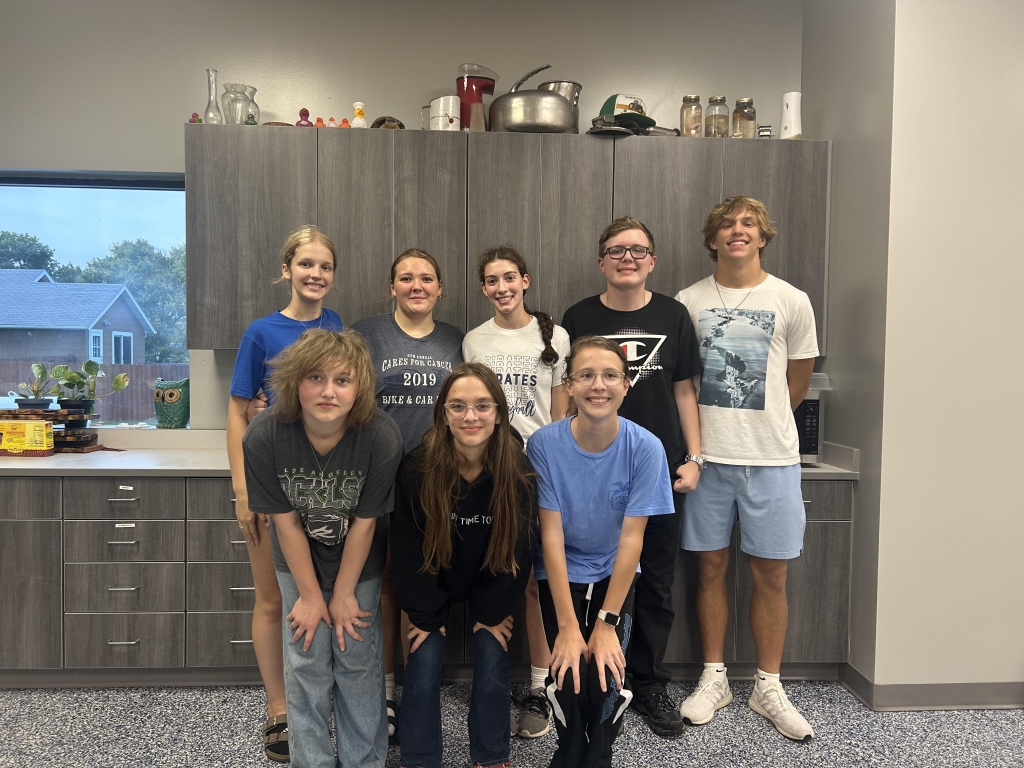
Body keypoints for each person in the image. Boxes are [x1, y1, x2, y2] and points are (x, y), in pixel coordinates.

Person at [675, 196, 818, 742]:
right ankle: (715, 678)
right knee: (709, 569)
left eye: (748, 224)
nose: (738, 231)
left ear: (763, 236)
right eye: (727, 225)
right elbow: (682, 382)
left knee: (771, 574)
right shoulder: (688, 301)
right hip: (707, 461)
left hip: (773, 461)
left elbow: (796, 383)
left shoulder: (791, 299)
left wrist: (763, 427)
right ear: (712, 240)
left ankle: (768, 685)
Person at [560, 217, 703, 738]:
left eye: (638, 250)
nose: (628, 258)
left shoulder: (675, 315)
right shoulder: (577, 317)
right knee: (594, 577)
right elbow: (565, 392)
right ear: (602, 261)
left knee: (657, 584)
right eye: (616, 250)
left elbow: (685, 390)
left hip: (659, 471)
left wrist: (695, 456)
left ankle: (647, 683)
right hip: (595, 474)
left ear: (652, 260)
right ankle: (599, 675)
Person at [242, 329, 404, 767]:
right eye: (315, 378)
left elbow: (366, 524)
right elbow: (286, 523)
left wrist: (346, 593)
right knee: (307, 658)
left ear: (360, 388)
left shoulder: (381, 436)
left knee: (356, 659)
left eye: (343, 380)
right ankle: (310, 759)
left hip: (360, 563)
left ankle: (364, 760)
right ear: (296, 383)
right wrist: (312, 597)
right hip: (297, 563)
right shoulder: (264, 435)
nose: (329, 391)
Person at [527, 336, 675, 768]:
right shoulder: (545, 446)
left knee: (607, 674)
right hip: (561, 569)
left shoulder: (645, 448)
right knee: (570, 670)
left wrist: (606, 623)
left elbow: (632, 540)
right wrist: (570, 627)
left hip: (615, 570)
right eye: (586, 375)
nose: (598, 385)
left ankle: (599, 755)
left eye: (610, 375)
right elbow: (550, 537)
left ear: (626, 385)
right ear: (569, 386)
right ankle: (569, 749)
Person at [226, 224, 344, 762]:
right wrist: (243, 490)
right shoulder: (261, 332)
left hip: (324, 483)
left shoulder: (337, 326)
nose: (315, 274)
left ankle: (316, 705)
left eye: (324, 266)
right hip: (271, 483)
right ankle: (279, 709)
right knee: (274, 598)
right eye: (306, 265)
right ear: (286, 270)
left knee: (318, 594)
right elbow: (237, 413)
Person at [391, 362, 536, 768]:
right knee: (422, 658)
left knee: (492, 652)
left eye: (482, 406)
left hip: (491, 579)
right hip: (432, 578)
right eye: (458, 406)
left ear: (499, 412)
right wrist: (424, 614)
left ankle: (491, 757)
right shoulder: (418, 468)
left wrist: (492, 611)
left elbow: (519, 549)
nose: (470, 416)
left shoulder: (517, 468)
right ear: (443, 413)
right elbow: (407, 548)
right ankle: (419, 759)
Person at [351, 248, 464, 742]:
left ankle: (423, 685)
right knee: (385, 586)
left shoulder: (457, 340)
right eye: (405, 278)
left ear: (440, 288)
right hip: (379, 475)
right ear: (391, 286)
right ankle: (388, 691)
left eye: (426, 278)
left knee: (429, 581)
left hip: (439, 478)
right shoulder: (366, 333)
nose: (416, 286)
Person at [462, 246, 571, 738]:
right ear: (482, 289)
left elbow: (560, 413)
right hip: (488, 468)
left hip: (537, 470)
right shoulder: (474, 340)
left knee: (530, 581)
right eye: (491, 281)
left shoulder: (556, 337)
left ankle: (539, 687)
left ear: (525, 280)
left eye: (509, 278)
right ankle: (491, 678)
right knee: (490, 570)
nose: (501, 288)